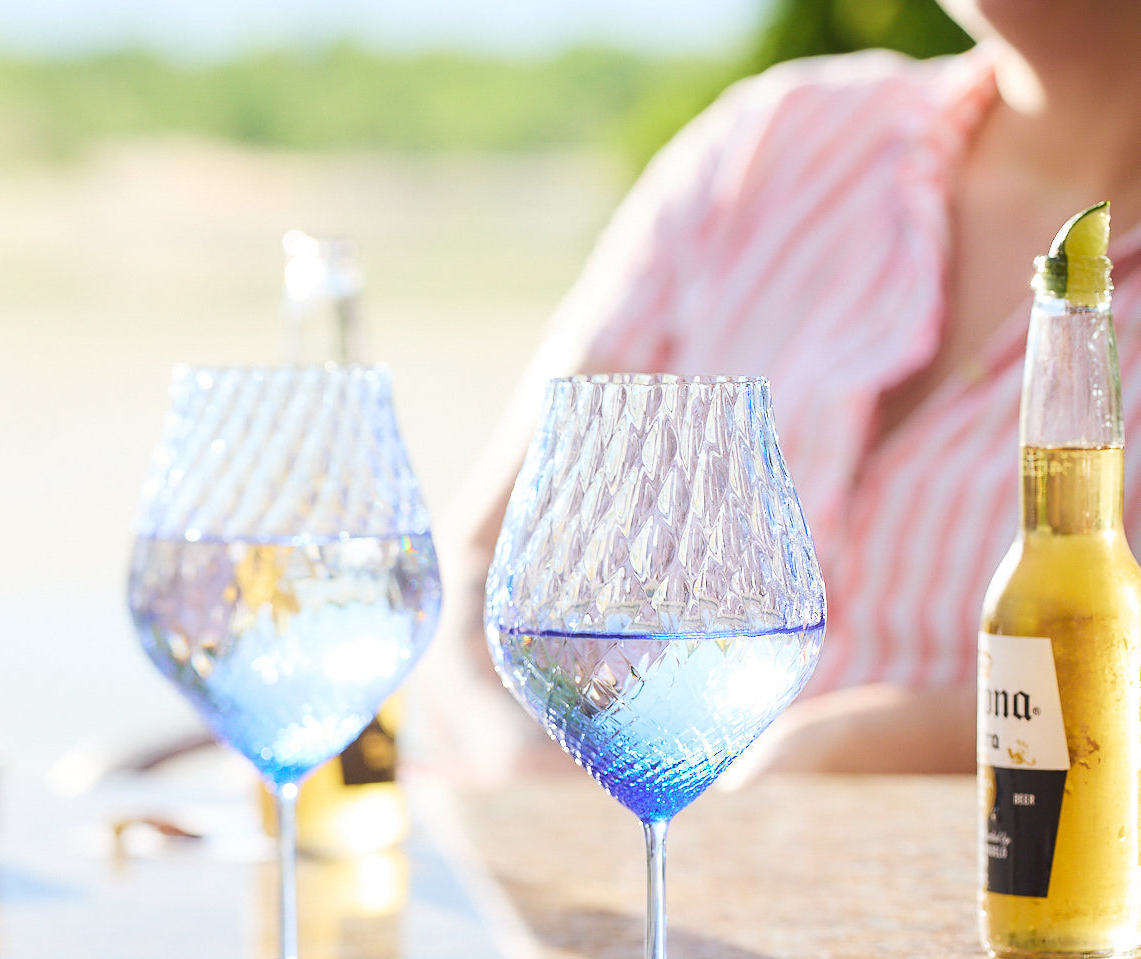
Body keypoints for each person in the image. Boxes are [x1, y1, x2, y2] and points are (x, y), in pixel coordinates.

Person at [438, 0, 1141, 782]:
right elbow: (489, 566)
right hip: (592, 869)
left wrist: (907, 745)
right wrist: (535, 773)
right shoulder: (774, 141)